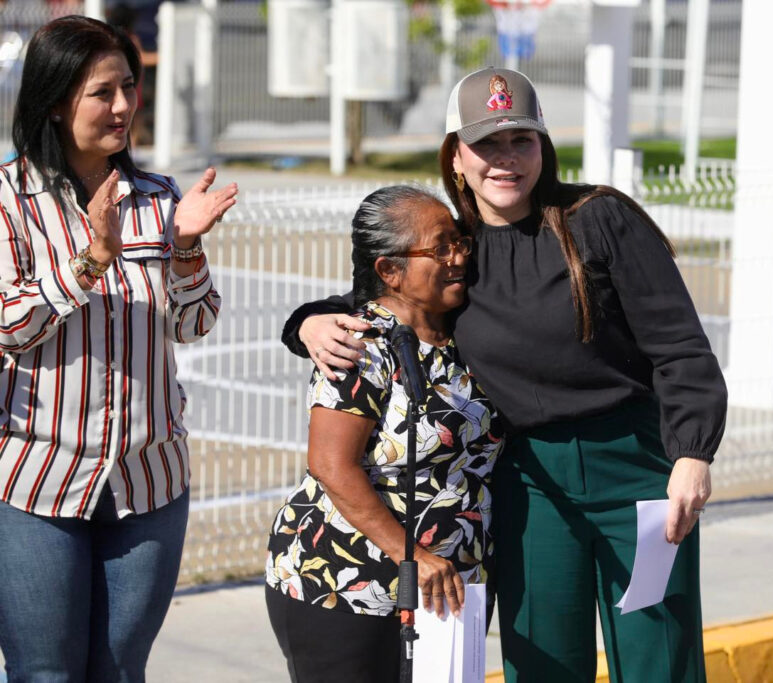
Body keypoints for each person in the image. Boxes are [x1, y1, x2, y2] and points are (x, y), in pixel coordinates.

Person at [281, 67, 727, 682]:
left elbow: (680, 347)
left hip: (639, 470)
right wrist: (306, 322)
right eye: (487, 143)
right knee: (544, 662)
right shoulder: (455, 252)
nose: (506, 159)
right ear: (456, 157)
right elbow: (379, 299)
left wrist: (693, 454)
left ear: (544, 146)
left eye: (522, 140)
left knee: (661, 660)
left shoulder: (598, 219)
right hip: (529, 484)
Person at [0, 15, 237, 682]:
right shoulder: (9, 202)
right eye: (102, 92)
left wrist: (185, 246)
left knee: (120, 669)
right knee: (45, 672)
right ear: (55, 101)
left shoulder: (159, 199)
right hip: (36, 480)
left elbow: (193, 324)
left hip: (148, 479)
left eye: (129, 87)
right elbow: (11, 325)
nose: (124, 106)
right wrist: (92, 259)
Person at [265, 185, 503, 683]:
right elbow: (331, 465)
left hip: (452, 589)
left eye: (460, 242)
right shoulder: (359, 346)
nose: (459, 257)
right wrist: (413, 556)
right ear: (390, 271)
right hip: (345, 584)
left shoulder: (469, 334)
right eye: (440, 248)